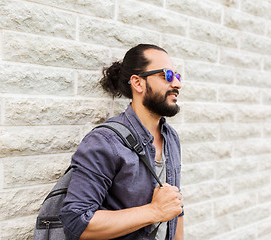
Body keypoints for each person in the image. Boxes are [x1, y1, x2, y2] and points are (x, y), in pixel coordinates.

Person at [59, 44, 184, 240]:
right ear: (138, 83)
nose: (176, 84)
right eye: (167, 75)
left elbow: (174, 207)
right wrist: (154, 211)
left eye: (177, 76)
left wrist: (165, 210)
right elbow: (77, 221)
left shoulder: (170, 136)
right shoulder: (105, 142)